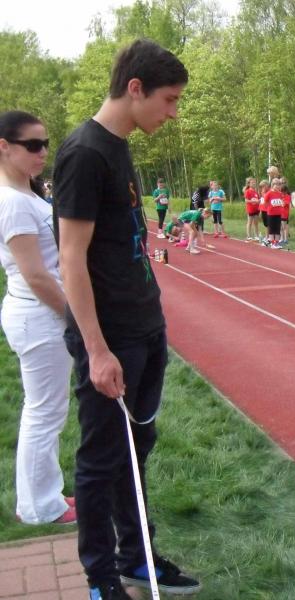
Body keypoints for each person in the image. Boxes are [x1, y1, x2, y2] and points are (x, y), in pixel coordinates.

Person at [52, 39, 200, 600]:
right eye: (169, 99)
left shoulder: (119, 146)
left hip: (144, 327)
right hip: (110, 337)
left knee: (135, 451)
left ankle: (137, 557)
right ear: (135, 88)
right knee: (101, 459)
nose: (173, 112)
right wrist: (96, 350)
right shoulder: (84, 153)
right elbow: (71, 258)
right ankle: (101, 579)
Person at [0, 110, 75, 525]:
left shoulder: (26, 195)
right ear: (4, 147)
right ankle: (39, 507)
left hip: (39, 313)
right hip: (40, 315)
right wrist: (74, 318)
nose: (42, 152)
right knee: (44, 413)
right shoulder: (12, 202)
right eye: (32, 145)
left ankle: (46, 497)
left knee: (47, 411)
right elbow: (36, 275)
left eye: (45, 144)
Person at [243, 177, 260, 241]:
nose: (254, 184)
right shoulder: (247, 191)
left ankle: (256, 236)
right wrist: (253, 201)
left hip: (257, 209)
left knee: (256, 223)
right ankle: (249, 236)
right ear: (249, 184)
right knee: (249, 222)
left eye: (254, 182)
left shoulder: (256, 192)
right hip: (250, 209)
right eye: (252, 183)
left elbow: (258, 200)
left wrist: (258, 201)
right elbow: (246, 200)